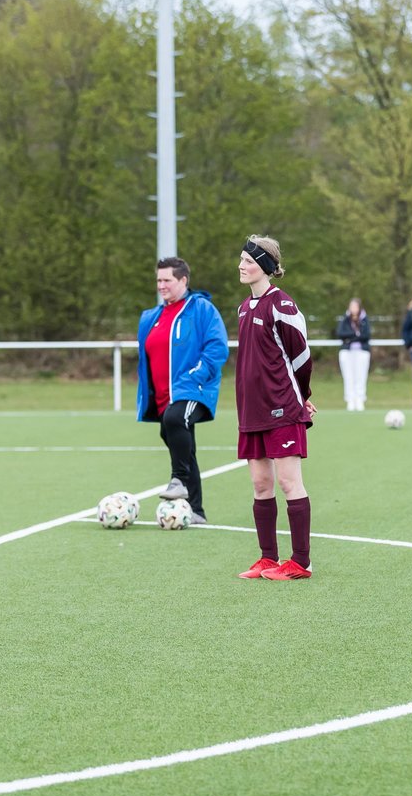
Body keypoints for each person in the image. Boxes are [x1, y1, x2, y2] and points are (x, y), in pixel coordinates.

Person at [234, 235, 318, 581]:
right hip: (251, 411)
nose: (242, 265)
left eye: (249, 261)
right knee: (260, 483)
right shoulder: (243, 308)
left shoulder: (281, 305)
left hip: (283, 408)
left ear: (265, 267)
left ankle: (301, 562)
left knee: (288, 481)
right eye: (240, 259)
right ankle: (268, 557)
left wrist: (302, 395)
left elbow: (301, 356)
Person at [136, 256, 229, 525]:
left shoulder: (201, 309)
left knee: (176, 420)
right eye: (158, 280)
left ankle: (178, 480)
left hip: (193, 389)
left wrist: (195, 375)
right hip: (164, 395)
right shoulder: (150, 317)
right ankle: (196, 510)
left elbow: (217, 347)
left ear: (183, 280)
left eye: (167, 280)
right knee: (176, 436)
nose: (161, 285)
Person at [337, 297, 372, 411]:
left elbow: (366, 335)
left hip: (362, 352)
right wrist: (355, 335)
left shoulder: (364, 319)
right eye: (351, 306)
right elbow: (341, 333)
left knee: (361, 376)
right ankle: (350, 400)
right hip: (347, 352)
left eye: (355, 306)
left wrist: (350, 338)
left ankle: (360, 400)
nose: (353, 309)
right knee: (348, 376)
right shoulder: (345, 319)